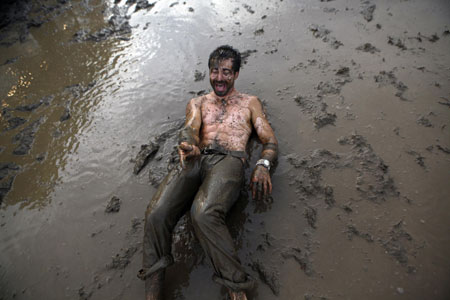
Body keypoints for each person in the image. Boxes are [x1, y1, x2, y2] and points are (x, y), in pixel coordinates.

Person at [138, 45, 278, 300]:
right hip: (196, 158)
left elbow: (269, 142)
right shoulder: (198, 102)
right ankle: (152, 290)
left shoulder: (250, 103)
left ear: (235, 74)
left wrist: (263, 165)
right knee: (156, 214)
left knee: (202, 213)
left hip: (229, 160)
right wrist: (188, 144)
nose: (219, 78)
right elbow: (190, 128)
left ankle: (236, 286)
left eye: (226, 72)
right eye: (215, 71)